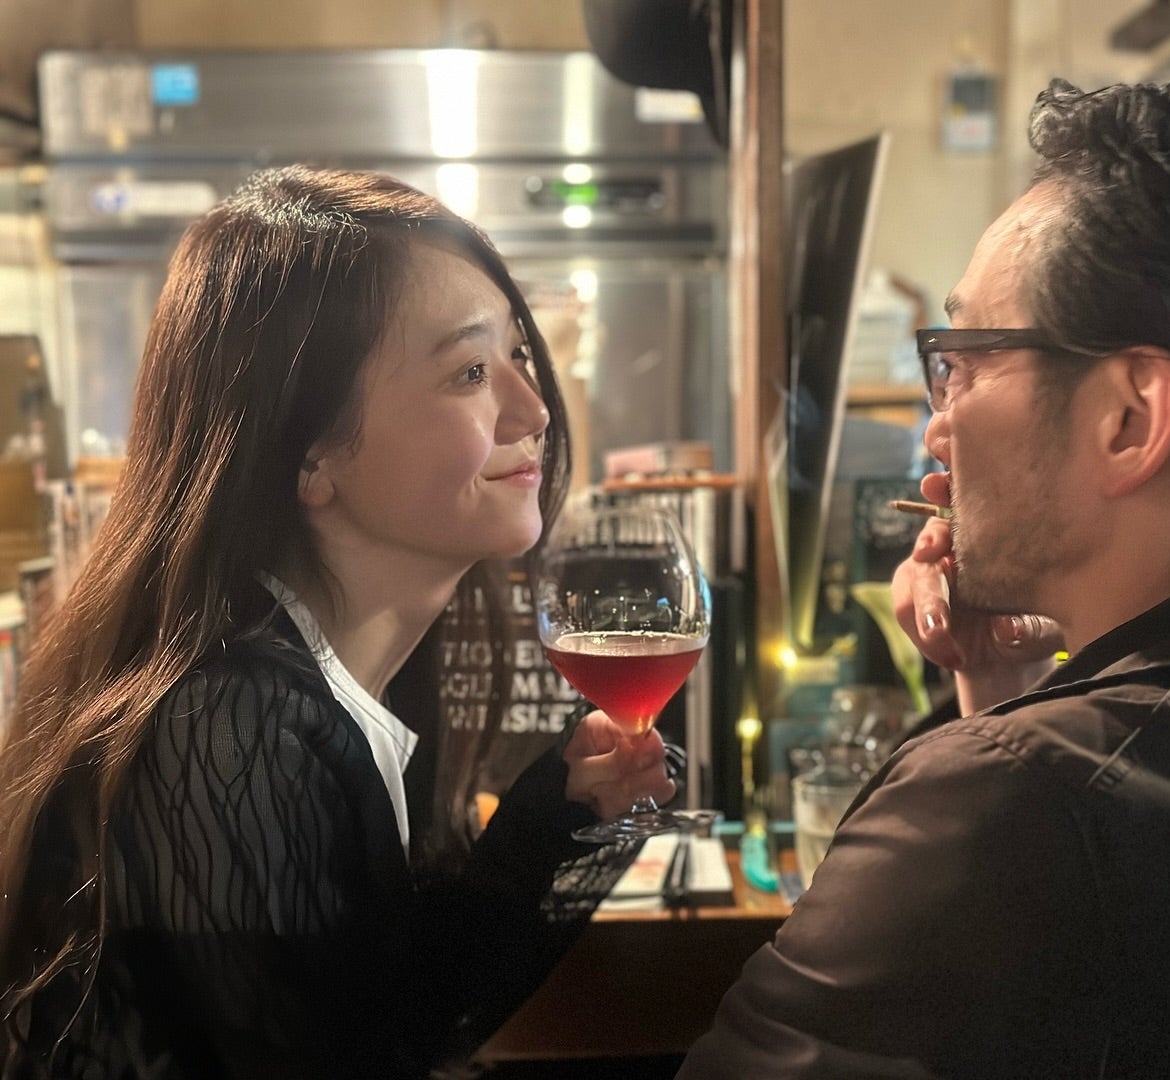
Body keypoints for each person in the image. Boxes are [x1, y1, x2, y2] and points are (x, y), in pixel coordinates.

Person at [682, 70, 1170, 1079]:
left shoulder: (1002, 808)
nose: (937, 425)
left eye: (964, 360)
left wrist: (993, 750)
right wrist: (1001, 696)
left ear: (1130, 417)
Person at [0, 165, 675, 1079]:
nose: (533, 407)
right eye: (471, 371)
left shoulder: (329, 695)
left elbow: (387, 1007)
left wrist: (560, 815)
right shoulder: (229, 736)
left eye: (520, 356)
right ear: (309, 452)